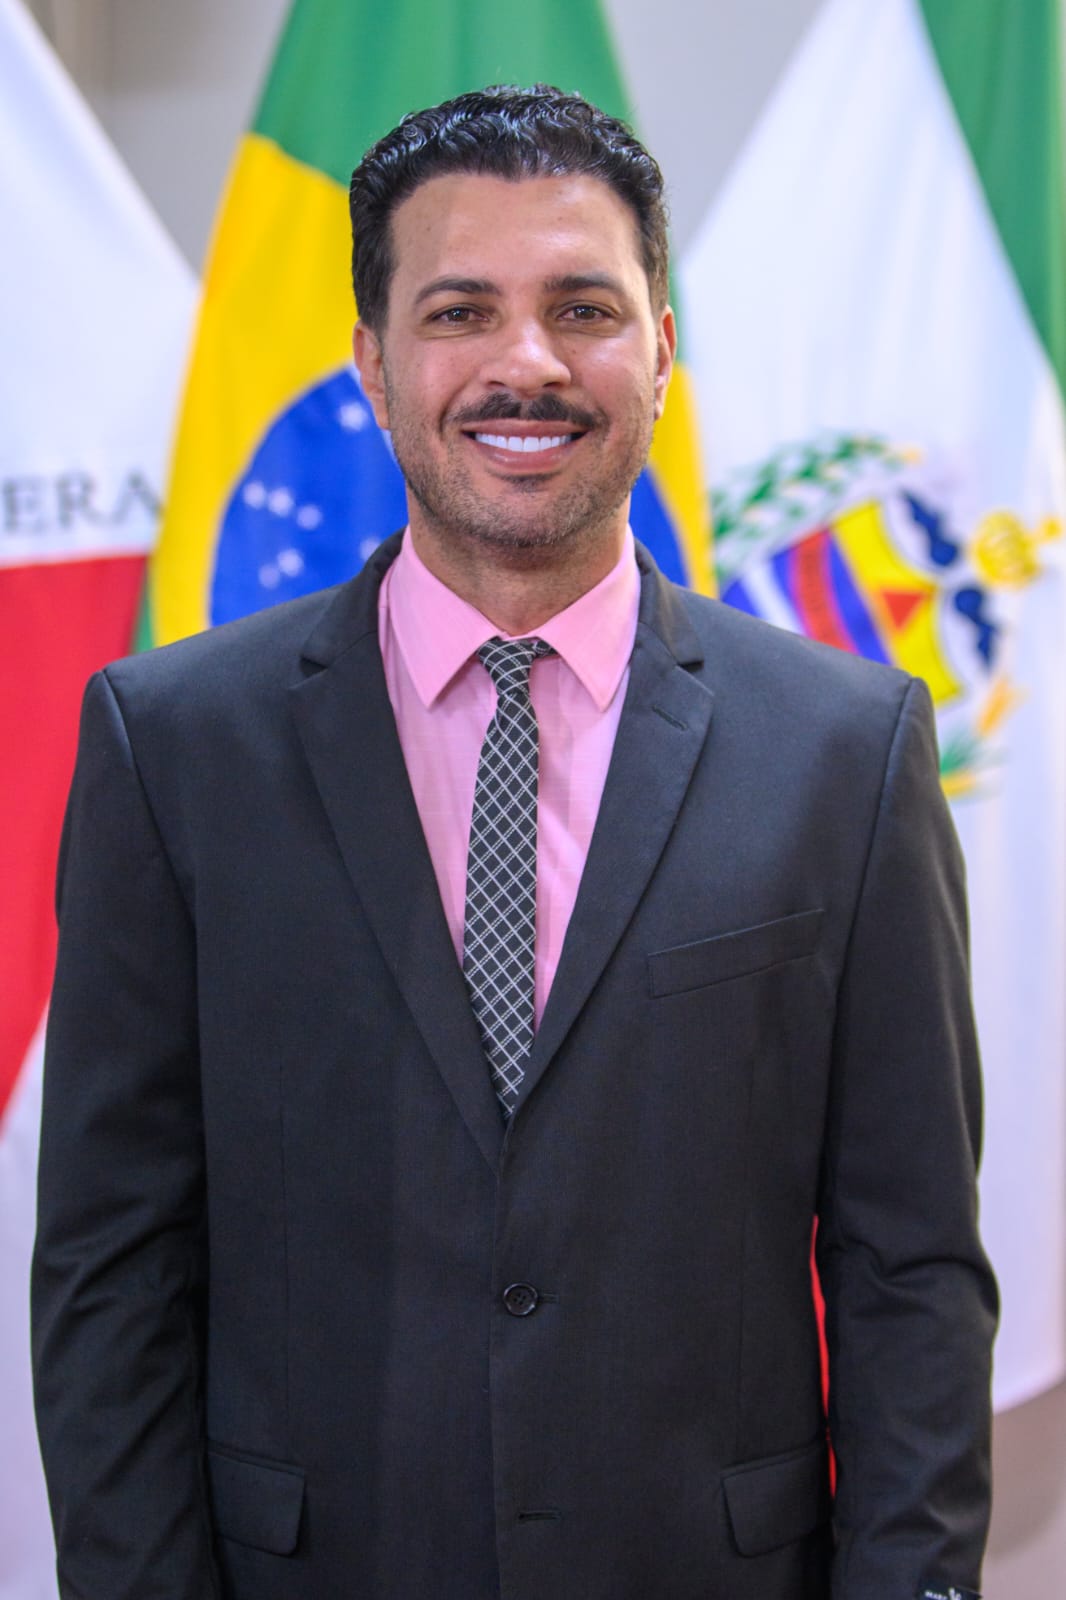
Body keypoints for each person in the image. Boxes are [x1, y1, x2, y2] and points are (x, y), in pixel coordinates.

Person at [32, 85, 996, 1600]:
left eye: (584, 309)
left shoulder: (845, 749)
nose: (526, 362)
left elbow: (910, 1266)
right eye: (460, 310)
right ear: (372, 359)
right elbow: (113, 1266)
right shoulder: (174, 747)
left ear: (660, 351)